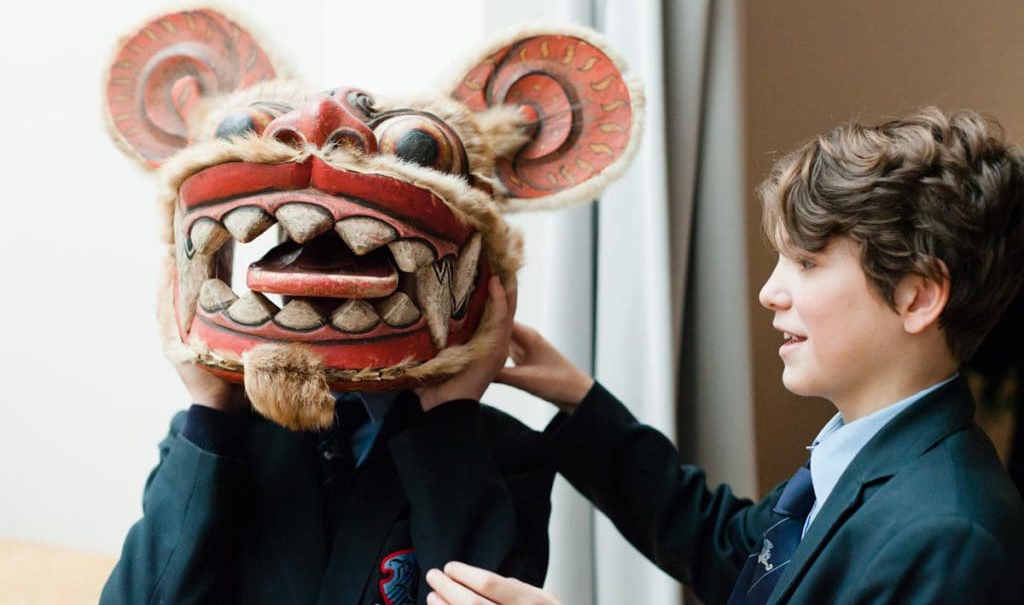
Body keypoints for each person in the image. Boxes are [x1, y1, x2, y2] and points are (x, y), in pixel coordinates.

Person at [426, 108, 1024, 604]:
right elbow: (725, 547)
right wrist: (578, 399)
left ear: (917, 295)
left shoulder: (950, 536)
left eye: (807, 264)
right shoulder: (858, 456)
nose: (770, 292)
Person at [101, 277, 557, 605]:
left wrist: (449, 418)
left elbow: (486, 591)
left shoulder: (502, 452)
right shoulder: (211, 439)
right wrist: (211, 410)